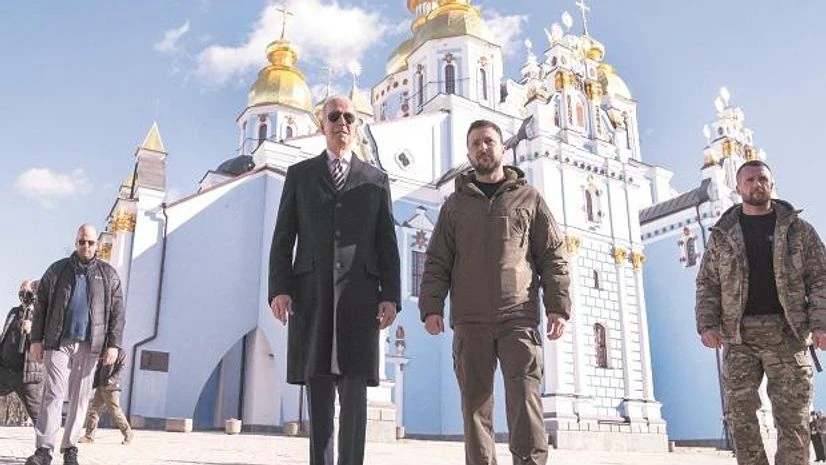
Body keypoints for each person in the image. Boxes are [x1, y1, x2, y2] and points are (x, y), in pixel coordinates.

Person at [418, 119, 571, 465]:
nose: (482, 148)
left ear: (503, 149)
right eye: (475, 144)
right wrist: (431, 306)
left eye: (488, 141)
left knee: (526, 401)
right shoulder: (454, 206)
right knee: (475, 406)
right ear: (469, 153)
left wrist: (557, 306)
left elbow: (553, 255)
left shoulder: (529, 199)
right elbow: (437, 259)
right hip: (470, 320)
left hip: (518, 316)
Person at [268, 95, 401, 465]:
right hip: (312, 299)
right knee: (320, 397)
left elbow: (386, 243)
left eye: (349, 117)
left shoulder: (376, 181)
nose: (342, 122)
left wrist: (390, 294)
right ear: (322, 125)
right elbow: (283, 237)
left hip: (360, 302)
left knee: (355, 399)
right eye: (334, 116)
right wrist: (279, 288)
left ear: (357, 126)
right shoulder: (300, 176)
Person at [696, 160, 826, 465]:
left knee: (793, 419)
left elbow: (820, 278)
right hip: (739, 338)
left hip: (788, 335)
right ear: (738, 188)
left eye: (763, 179)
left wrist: (821, 324)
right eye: (750, 180)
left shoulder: (799, 231)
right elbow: (707, 283)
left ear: (772, 184)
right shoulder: (722, 235)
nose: (757, 184)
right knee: (741, 419)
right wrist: (706, 324)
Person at [25, 224, 125, 465]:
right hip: (58, 342)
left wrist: (113, 344)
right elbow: (41, 307)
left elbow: (117, 312)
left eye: (90, 242)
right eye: (82, 242)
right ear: (76, 242)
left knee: (80, 398)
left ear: (97, 244)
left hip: (91, 345)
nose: (86, 246)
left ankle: (70, 447)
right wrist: (36, 340)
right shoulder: (57, 270)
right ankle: (44, 451)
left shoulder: (108, 274)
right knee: (53, 394)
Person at [0, 279, 44, 424]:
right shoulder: (14, 311)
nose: (24, 295)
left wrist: (33, 330)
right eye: (21, 291)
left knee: (37, 412)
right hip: (5, 370)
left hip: (27, 374)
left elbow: (47, 343)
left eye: (27, 292)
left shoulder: (42, 315)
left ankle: (46, 443)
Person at [78, 347, 133, 445]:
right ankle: (89, 436)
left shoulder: (121, 352)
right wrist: (95, 382)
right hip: (101, 384)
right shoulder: (104, 350)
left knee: (115, 411)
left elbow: (121, 368)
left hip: (111, 387)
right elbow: (99, 367)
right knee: (94, 410)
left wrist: (112, 380)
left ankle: (128, 434)